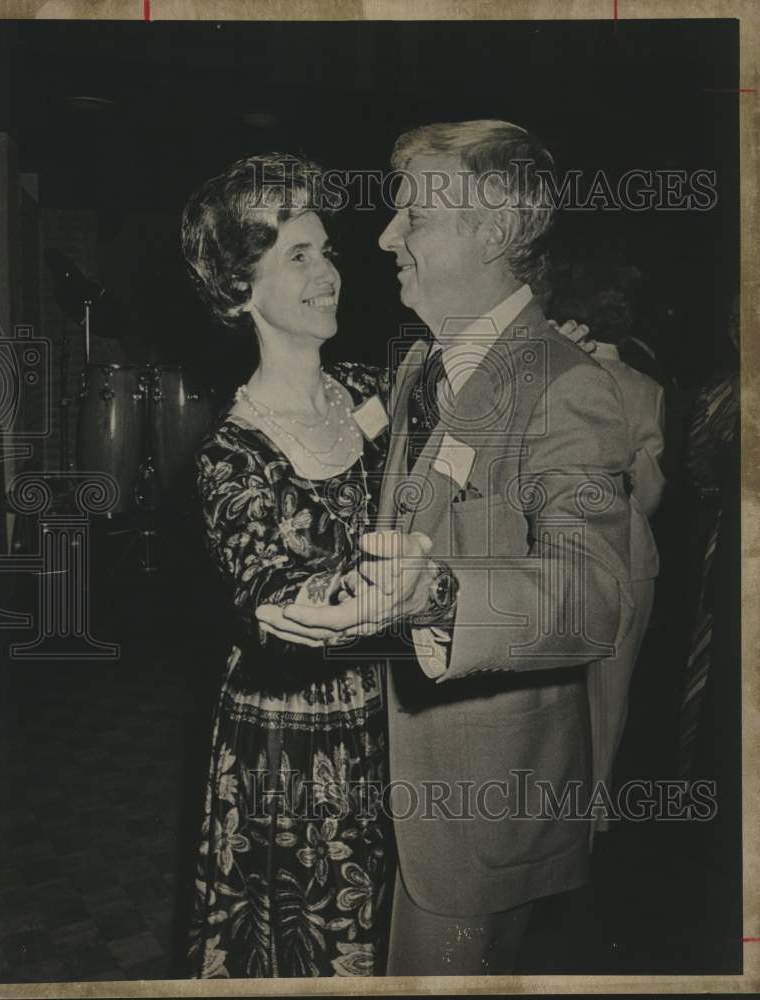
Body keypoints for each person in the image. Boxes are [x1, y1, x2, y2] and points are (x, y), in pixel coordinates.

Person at [261, 120, 634, 975]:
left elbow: (593, 591)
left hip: (478, 805)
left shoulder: (564, 383)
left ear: (496, 232)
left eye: (414, 218)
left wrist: (438, 596)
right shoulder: (420, 366)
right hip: (391, 777)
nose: (387, 237)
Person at [180, 154, 393, 978]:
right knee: (298, 939)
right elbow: (274, 596)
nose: (328, 272)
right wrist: (400, 590)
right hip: (288, 739)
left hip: (389, 719)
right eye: (297, 256)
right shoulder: (232, 455)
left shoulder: (373, 392)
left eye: (327, 249)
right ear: (240, 290)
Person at [550, 260, 665, 832]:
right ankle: (594, 817)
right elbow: (650, 490)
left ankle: (551, 820)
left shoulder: (562, 376)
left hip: (563, 550)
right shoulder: (649, 390)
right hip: (633, 553)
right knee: (611, 696)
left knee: (556, 694)